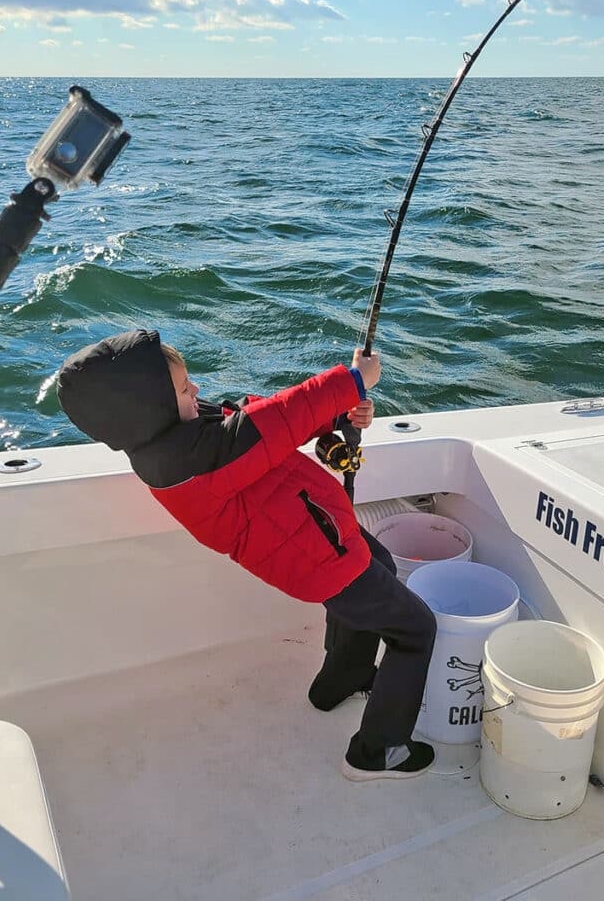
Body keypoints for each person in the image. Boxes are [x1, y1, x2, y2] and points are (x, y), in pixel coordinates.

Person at [57, 329, 437, 781]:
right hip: (316, 553)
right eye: (183, 388)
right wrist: (353, 381)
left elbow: (251, 420)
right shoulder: (186, 460)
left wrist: (338, 415)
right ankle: (378, 751)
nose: (195, 391)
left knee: (382, 568)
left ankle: (342, 678)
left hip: (314, 532)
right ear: (149, 406)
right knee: (415, 628)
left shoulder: (170, 437)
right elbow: (272, 424)